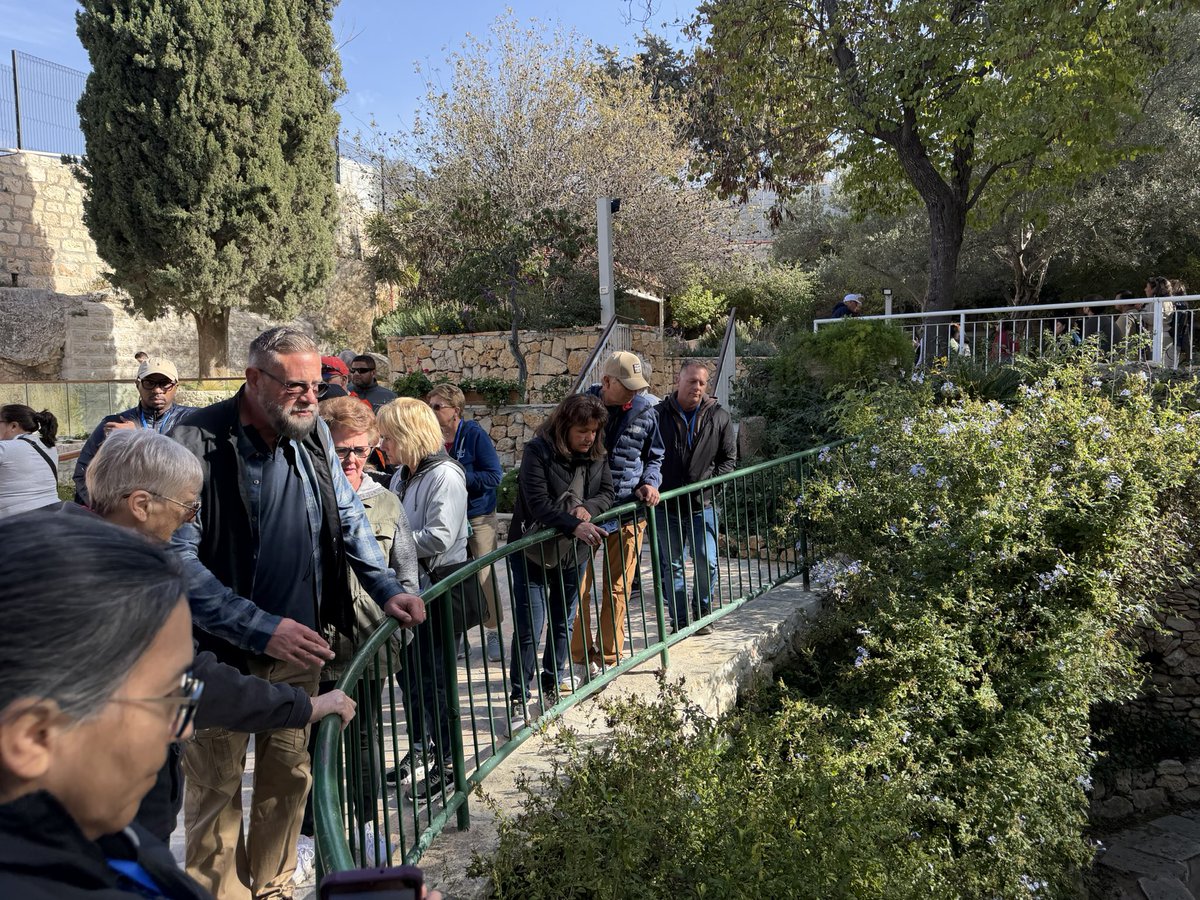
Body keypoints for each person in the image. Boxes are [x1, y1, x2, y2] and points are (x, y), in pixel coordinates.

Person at [170, 327, 426, 900]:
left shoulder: (312, 437)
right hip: (206, 658)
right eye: (295, 385)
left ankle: (275, 888)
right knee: (212, 788)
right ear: (253, 379)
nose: (311, 397)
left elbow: (349, 517)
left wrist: (385, 586)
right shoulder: (192, 439)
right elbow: (176, 562)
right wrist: (263, 628)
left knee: (288, 780)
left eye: (316, 385)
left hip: (301, 648)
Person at [78, 430, 355, 846]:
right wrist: (305, 706)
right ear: (140, 504)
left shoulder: (48, 537)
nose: (191, 519)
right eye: (187, 506)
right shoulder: (114, 578)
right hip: (100, 815)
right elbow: (190, 682)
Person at [0, 512, 211, 899]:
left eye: (189, 687)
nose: (184, 727)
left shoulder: (106, 834)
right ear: (34, 737)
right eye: (169, 696)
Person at [299, 397, 420, 851]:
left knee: (365, 742)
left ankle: (366, 825)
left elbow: (406, 573)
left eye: (361, 450)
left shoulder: (387, 502)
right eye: (342, 450)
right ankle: (311, 834)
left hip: (367, 646)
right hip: (312, 646)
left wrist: (401, 619)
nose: (351, 460)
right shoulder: (303, 494)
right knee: (309, 746)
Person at [376, 398, 470, 800]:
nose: (383, 442)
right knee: (410, 677)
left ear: (408, 435)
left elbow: (440, 536)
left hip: (439, 587)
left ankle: (450, 764)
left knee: (434, 681)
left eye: (389, 435)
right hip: (414, 587)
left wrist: (389, 544)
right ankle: (423, 748)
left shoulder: (445, 475)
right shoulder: (403, 474)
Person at [507, 394, 612, 730]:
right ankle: (519, 698)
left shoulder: (597, 454)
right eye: (582, 430)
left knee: (563, 621)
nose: (589, 437)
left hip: (573, 552)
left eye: (594, 431)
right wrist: (574, 523)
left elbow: (608, 492)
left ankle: (552, 687)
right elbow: (537, 503)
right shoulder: (537, 451)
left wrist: (589, 510)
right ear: (565, 426)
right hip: (532, 552)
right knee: (529, 627)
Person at [570, 352, 663, 683]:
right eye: (627, 387)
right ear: (607, 382)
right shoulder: (578, 409)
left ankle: (609, 658)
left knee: (619, 588)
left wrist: (650, 482)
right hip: (586, 516)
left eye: (638, 386)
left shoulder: (647, 409)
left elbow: (655, 455)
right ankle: (580, 659)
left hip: (627, 512)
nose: (634, 393)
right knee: (577, 590)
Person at [654, 361, 736, 635]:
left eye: (702, 383)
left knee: (706, 559)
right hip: (667, 504)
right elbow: (647, 457)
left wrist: (710, 487)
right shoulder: (658, 415)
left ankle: (702, 612)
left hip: (704, 504)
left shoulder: (719, 417)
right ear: (679, 381)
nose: (697, 388)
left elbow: (728, 460)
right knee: (673, 564)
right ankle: (679, 621)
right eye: (692, 381)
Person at [426, 383, 505, 661]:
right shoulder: (430, 436)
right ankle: (460, 635)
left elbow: (495, 476)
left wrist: (457, 477)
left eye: (438, 407)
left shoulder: (473, 434)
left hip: (478, 516)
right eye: (430, 406)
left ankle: (493, 631)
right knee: (452, 575)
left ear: (455, 411)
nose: (432, 411)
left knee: (482, 575)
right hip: (449, 517)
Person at [72, 357, 196, 505]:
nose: (157, 390)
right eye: (149, 383)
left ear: (176, 386)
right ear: (137, 385)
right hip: (128, 517)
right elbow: (83, 472)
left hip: (177, 513)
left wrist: (137, 435)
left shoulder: (193, 421)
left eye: (165, 384)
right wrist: (104, 511)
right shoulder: (115, 423)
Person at [0, 404, 60, 518]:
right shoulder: (49, 447)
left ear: (13, 426)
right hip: (51, 516)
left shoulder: (5, 448)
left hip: (14, 523)